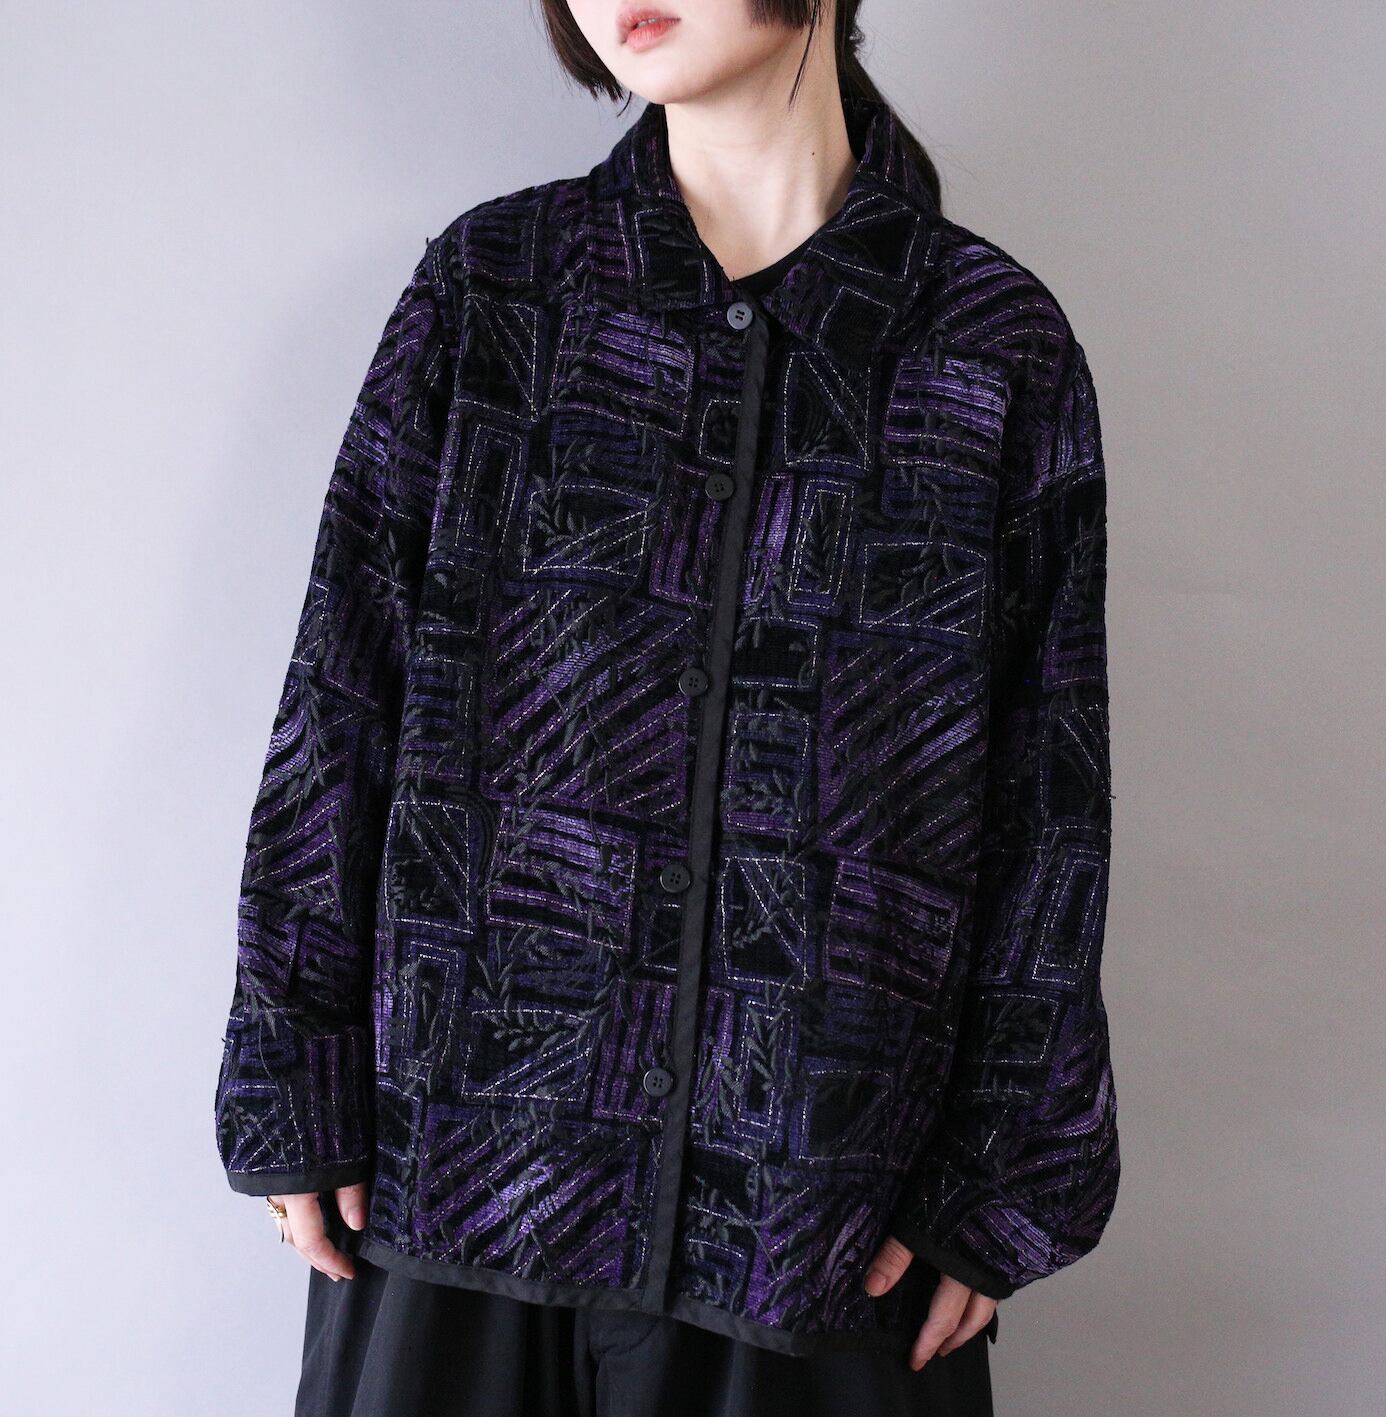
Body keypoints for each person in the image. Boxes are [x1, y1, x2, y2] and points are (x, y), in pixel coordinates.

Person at [213, 2, 1121, 1413]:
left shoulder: (988, 344)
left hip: (812, 1212)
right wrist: (295, 1066)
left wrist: (998, 1176)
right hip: (464, 1175)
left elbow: (1046, 800)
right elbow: (343, 697)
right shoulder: (497, 293)